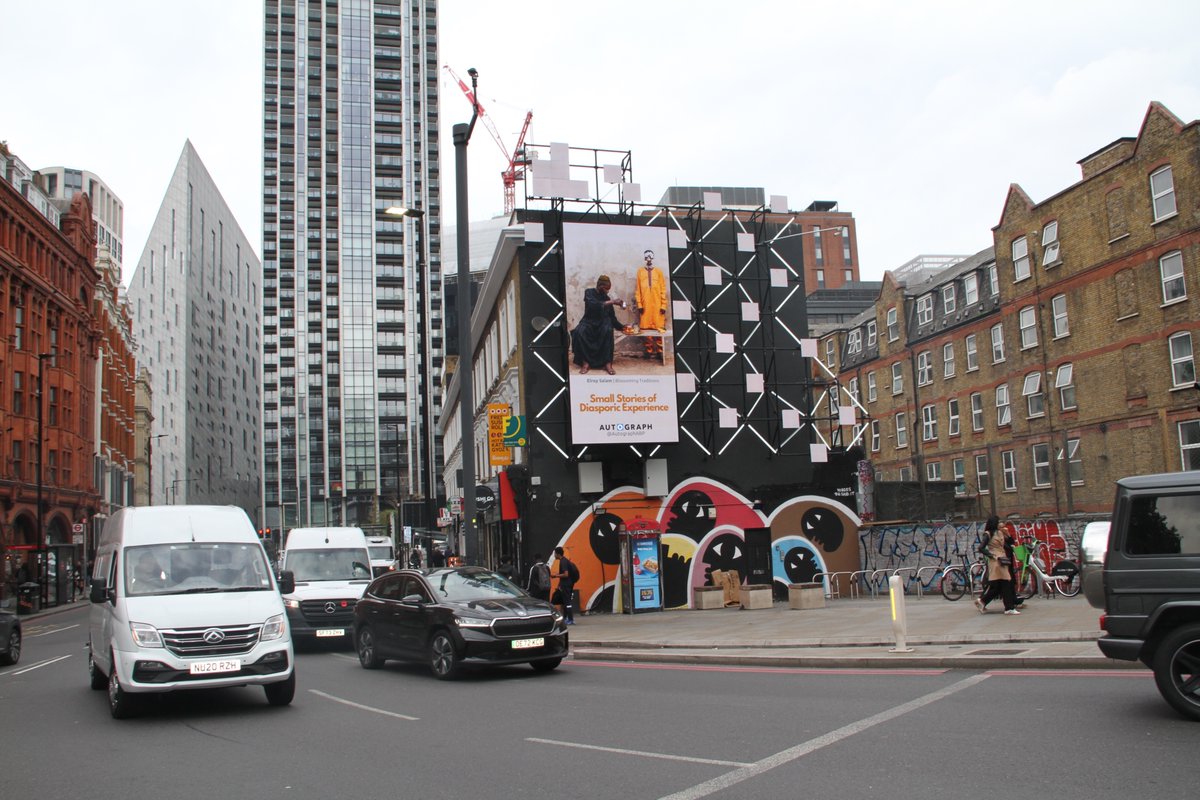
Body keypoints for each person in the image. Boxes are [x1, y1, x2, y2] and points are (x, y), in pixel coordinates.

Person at [570, 275, 623, 375]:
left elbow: (612, 317)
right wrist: (613, 301)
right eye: (607, 289)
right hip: (589, 321)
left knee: (608, 330)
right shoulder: (589, 292)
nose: (608, 292)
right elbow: (593, 305)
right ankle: (585, 363)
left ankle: (608, 363)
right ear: (600, 286)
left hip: (603, 321)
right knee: (579, 331)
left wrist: (622, 327)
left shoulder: (607, 298)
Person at [976, 519, 1020, 615]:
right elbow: (981, 547)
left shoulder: (1000, 533)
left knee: (999, 585)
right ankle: (1009, 607)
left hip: (1003, 560)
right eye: (999, 524)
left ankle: (983, 601)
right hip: (995, 561)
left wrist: (1007, 533)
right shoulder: (988, 534)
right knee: (1006, 581)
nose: (1001, 527)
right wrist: (991, 555)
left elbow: (1011, 542)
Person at [634, 249, 668, 360]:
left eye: (650, 256)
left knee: (659, 328)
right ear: (644, 258)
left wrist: (663, 305)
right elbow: (638, 290)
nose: (648, 259)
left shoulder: (659, 272)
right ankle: (648, 351)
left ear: (653, 257)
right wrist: (639, 305)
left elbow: (663, 289)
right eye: (646, 257)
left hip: (658, 305)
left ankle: (660, 351)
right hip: (645, 305)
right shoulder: (640, 272)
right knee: (645, 329)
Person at [552, 546, 579, 624]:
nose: (554, 555)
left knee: (567, 602)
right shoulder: (565, 561)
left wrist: (556, 576)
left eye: (555, 553)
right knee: (566, 602)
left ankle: (570, 619)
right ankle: (567, 618)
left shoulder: (563, 562)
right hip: (567, 584)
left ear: (558, 554)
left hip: (566, 585)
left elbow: (566, 574)